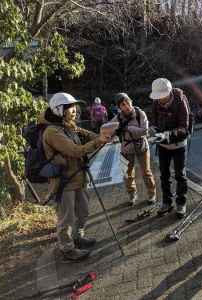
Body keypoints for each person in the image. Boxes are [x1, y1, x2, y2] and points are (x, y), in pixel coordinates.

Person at [39, 92, 111, 261]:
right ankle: (67, 248)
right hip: (64, 182)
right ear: (59, 110)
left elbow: (87, 135)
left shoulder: (68, 125)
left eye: (73, 106)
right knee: (67, 218)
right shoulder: (52, 131)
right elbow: (74, 150)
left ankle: (78, 237)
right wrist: (98, 141)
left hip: (78, 177)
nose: (74, 110)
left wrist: (103, 137)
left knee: (83, 211)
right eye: (69, 107)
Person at [149, 78, 190, 218]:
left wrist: (164, 136)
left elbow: (184, 128)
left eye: (162, 96)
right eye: (157, 97)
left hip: (179, 145)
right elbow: (153, 122)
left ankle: (181, 203)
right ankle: (167, 202)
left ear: (169, 92)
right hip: (162, 146)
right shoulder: (155, 103)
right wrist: (152, 131)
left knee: (180, 175)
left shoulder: (180, 101)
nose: (160, 99)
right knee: (164, 175)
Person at [110, 93, 156, 205]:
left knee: (146, 172)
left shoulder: (140, 113)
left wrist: (128, 128)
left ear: (131, 101)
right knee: (127, 173)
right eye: (122, 104)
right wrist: (112, 132)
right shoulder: (118, 118)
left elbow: (144, 131)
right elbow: (108, 129)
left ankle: (151, 194)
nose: (126, 106)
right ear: (119, 107)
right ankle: (132, 194)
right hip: (126, 147)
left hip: (141, 145)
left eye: (127, 102)